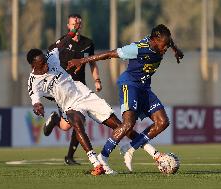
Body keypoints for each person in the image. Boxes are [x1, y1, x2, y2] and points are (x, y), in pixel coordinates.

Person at [26, 26, 165, 175]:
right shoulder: (33, 82)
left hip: (83, 93)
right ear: (34, 66)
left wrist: (72, 33)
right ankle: (97, 164)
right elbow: (35, 100)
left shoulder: (51, 56)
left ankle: (155, 154)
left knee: (120, 126)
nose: (47, 64)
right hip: (69, 104)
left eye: (45, 60)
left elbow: (61, 43)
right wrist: (38, 106)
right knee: (77, 125)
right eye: (42, 64)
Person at [67, 24, 184, 172]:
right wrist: (82, 61)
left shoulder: (163, 42)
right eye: (164, 45)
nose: (165, 48)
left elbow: (169, 41)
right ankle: (103, 158)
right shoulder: (137, 48)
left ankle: (129, 148)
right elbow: (109, 54)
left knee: (163, 122)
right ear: (154, 40)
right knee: (128, 124)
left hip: (144, 88)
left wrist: (175, 49)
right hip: (129, 85)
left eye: (167, 45)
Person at [45, 14, 102, 165]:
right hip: (64, 90)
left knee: (80, 122)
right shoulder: (62, 42)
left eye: (78, 23)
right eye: (73, 24)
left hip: (80, 89)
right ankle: (55, 120)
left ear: (81, 25)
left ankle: (69, 157)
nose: (76, 25)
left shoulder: (88, 43)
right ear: (68, 26)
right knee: (65, 126)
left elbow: (92, 63)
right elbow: (49, 54)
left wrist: (97, 80)